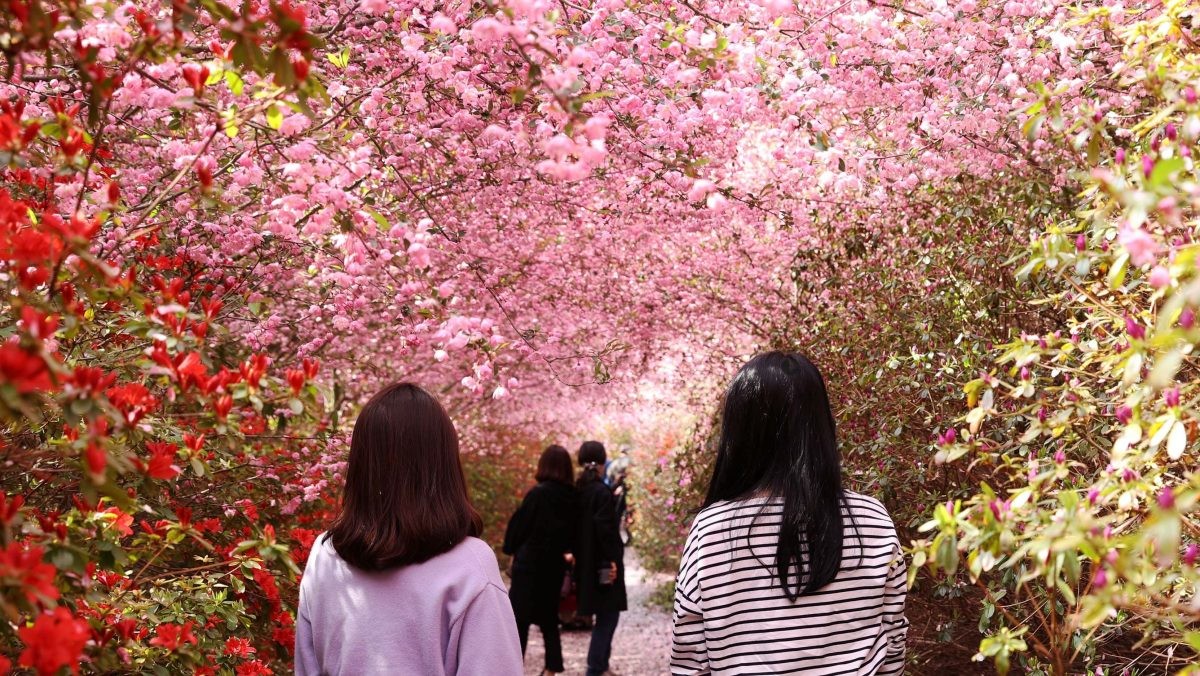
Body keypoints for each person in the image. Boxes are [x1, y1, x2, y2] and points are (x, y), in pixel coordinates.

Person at [669, 352, 908, 675]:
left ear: (739, 434)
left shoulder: (712, 529)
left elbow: (689, 658)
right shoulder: (872, 519)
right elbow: (892, 640)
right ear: (821, 425)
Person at [295, 383, 524, 676]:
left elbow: (307, 667)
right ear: (443, 465)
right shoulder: (470, 565)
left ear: (362, 465)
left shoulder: (325, 555)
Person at [503, 445, 578, 675]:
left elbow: (518, 529)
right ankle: (551, 669)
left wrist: (511, 550)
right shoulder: (573, 497)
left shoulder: (537, 494)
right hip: (554, 565)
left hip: (529, 565)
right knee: (549, 621)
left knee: (520, 621)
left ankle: (515, 668)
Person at [575, 440, 627, 676]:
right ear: (603, 461)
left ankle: (600, 666)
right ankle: (596, 668)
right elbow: (605, 530)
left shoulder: (577, 490)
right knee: (608, 614)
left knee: (604, 613)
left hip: (584, 563)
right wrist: (612, 561)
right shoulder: (600, 492)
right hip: (605, 564)